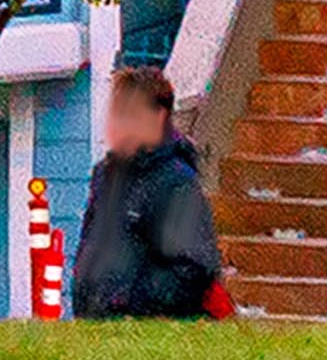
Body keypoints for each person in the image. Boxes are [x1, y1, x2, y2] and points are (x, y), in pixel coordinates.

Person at [70, 68, 225, 320]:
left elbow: (193, 268)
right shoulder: (105, 176)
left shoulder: (176, 182)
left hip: (146, 332)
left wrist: (127, 304)